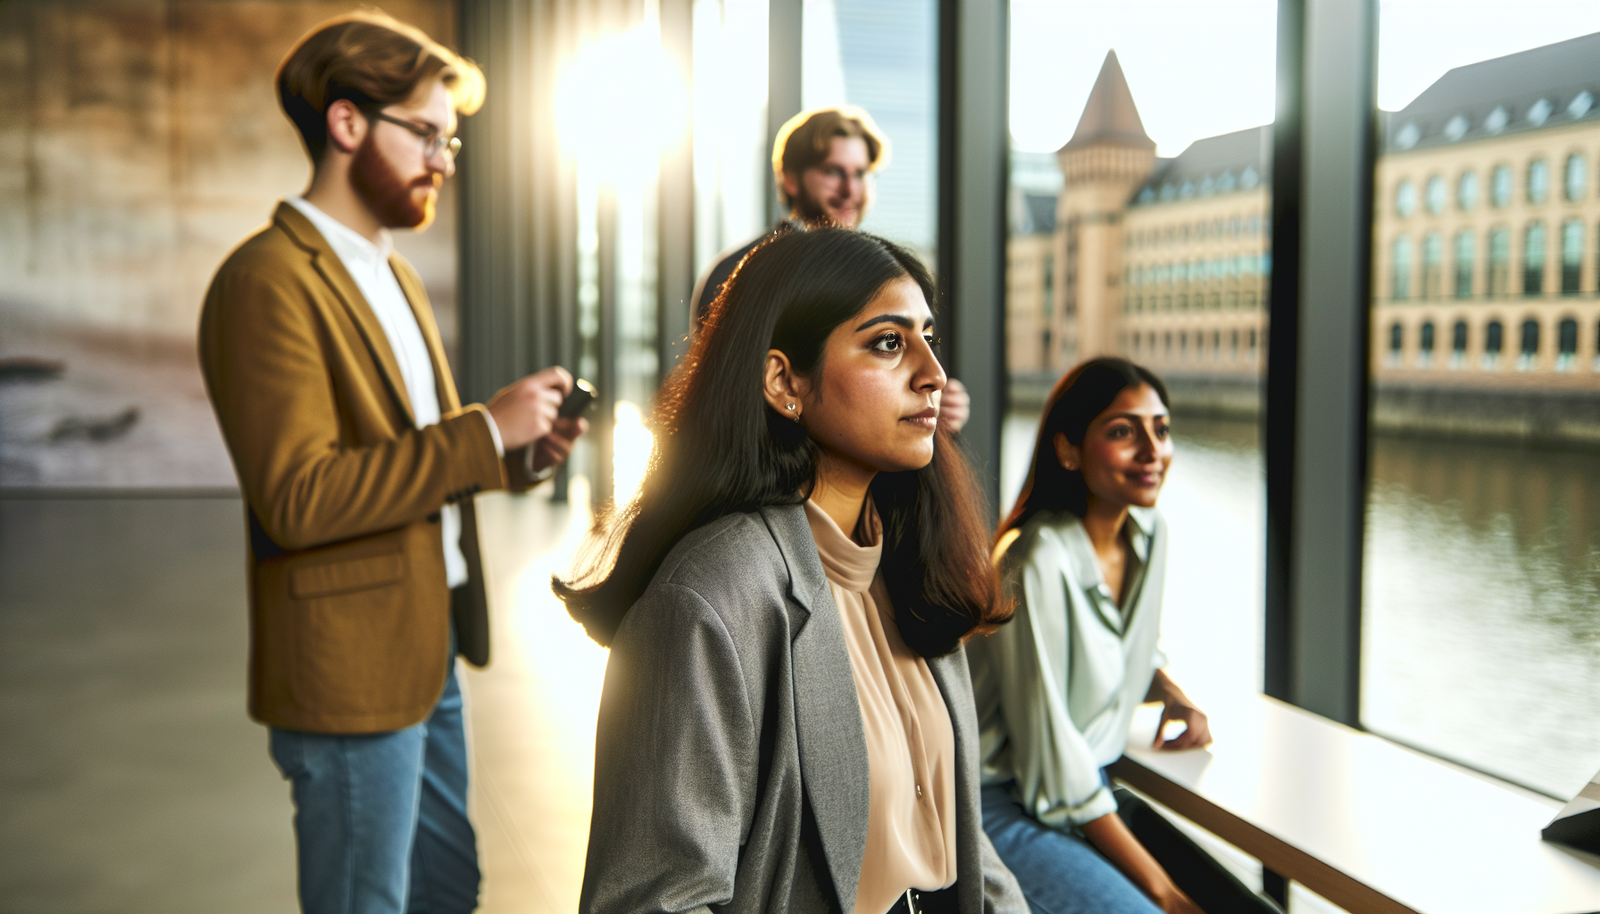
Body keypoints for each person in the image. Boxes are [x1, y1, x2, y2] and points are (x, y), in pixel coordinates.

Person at [197, 12, 585, 913]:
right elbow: (298, 497)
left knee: (448, 891)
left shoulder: (391, 272)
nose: (445, 160)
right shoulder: (266, 283)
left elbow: (415, 461)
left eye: (450, 140)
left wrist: (515, 457)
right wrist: (482, 433)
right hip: (348, 668)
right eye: (427, 134)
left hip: (428, 641)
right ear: (346, 124)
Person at [559, 228, 1025, 914]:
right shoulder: (708, 600)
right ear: (785, 382)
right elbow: (656, 901)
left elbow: (960, 837)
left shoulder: (913, 569)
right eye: (888, 343)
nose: (932, 373)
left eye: (928, 337)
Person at [967, 359, 1279, 914]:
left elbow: (1123, 643)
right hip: (999, 803)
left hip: (1087, 790)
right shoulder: (1032, 560)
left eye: (1160, 430)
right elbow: (1051, 759)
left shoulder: (1150, 533)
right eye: (1121, 431)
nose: (1151, 450)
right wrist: (1163, 892)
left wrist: (1172, 695)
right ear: (1068, 449)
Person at [690, 105, 971, 432]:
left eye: (861, 173)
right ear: (791, 180)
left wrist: (934, 404)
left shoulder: (880, 273)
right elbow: (725, 403)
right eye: (833, 172)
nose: (850, 189)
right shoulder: (742, 271)